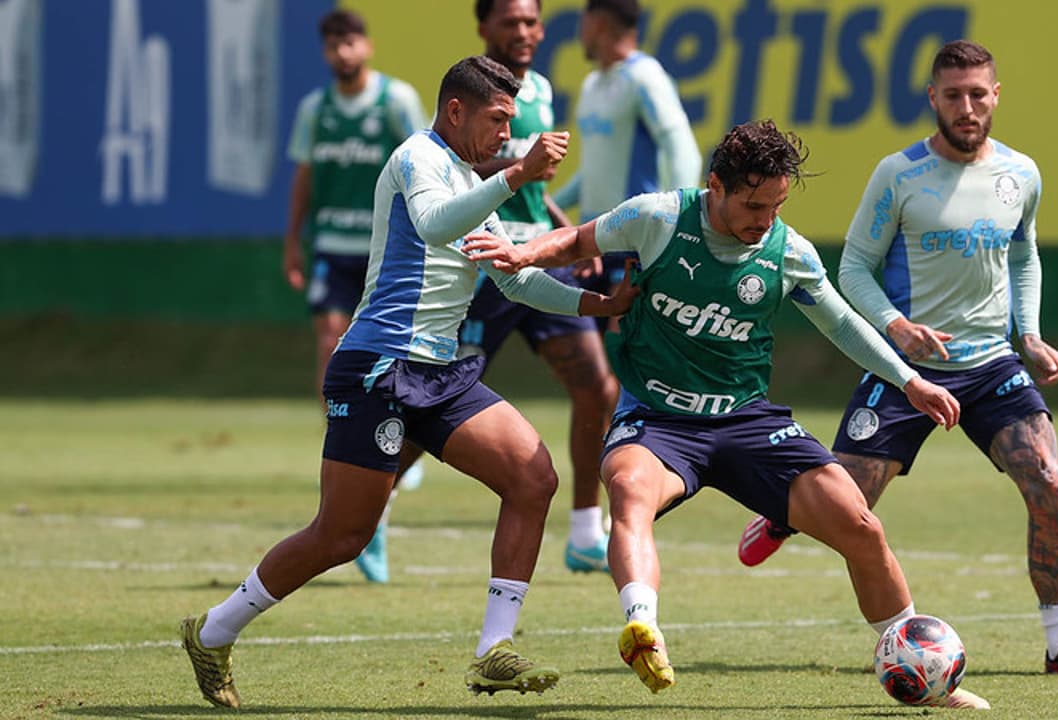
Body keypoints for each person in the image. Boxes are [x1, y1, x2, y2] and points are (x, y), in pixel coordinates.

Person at [464, 120, 989, 709]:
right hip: (659, 419)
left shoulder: (787, 251)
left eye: (776, 205)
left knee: (861, 526)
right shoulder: (658, 217)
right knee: (630, 494)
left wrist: (909, 380)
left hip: (747, 421)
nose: (764, 219)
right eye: (753, 203)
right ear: (715, 185)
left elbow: (840, 321)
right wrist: (521, 252)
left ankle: (922, 667)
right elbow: (576, 242)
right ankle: (644, 628)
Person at [179, 55, 636, 709]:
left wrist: (599, 305)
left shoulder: (468, 176)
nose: (506, 135)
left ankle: (493, 652)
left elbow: (511, 275)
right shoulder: (418, 160)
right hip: (377, 367)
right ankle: (214, 630)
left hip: (440, 372)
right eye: (497, 119)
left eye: (512, 123)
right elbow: (432, 225)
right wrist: (514, 175)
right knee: (341, 536)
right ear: (456, 111)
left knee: (533, 477)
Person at [735, 40, 1058, 680]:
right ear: (933, 100)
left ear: (996, 95)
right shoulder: (899, 175)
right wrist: (895, 327)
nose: (967, 107)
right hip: (908, 369)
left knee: (1047, 481)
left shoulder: (1020, 174)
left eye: (978, 94)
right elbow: (853, 267)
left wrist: (1028, 334)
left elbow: (1024, 255)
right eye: (953, 96)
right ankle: (784, 514)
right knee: (849, 501)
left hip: (993, 364)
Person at [464, 0, 618, 573]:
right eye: (510, 21)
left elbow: (532, 191)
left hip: (539, 259)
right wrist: (519, 165)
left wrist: (567, 234)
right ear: (484, 28)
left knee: (597, 388)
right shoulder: (471, 89)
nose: (523, 32)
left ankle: (584, 533)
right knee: (435, 402)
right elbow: (447, 170)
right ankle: (372, 510)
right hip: (486, 259)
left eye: (531, 22)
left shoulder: (543, 89)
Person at [282, 9, 430, 583]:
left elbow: (429, 165)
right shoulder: (314, 111)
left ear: (366, 44)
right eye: (333, 44)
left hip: (381, 252)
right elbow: (303, 177)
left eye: (351, 40)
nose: (343, 52)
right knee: (329, 346)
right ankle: (349, 446)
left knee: (393, 354)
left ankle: (392, 444)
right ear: (325, 52)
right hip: (333, 249)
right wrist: (292, 242)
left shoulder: (396, 101)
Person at [553, 0, 702, 320]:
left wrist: (678, 226)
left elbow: (684, 149)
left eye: (583, 22)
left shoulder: (646, 78)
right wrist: (548, 202)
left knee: (623, 355)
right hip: (594, 240)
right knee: (591, 360)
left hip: (633, 241)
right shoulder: (592, 83)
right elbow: (595, 170)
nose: (579, 32)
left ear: (599, 24)